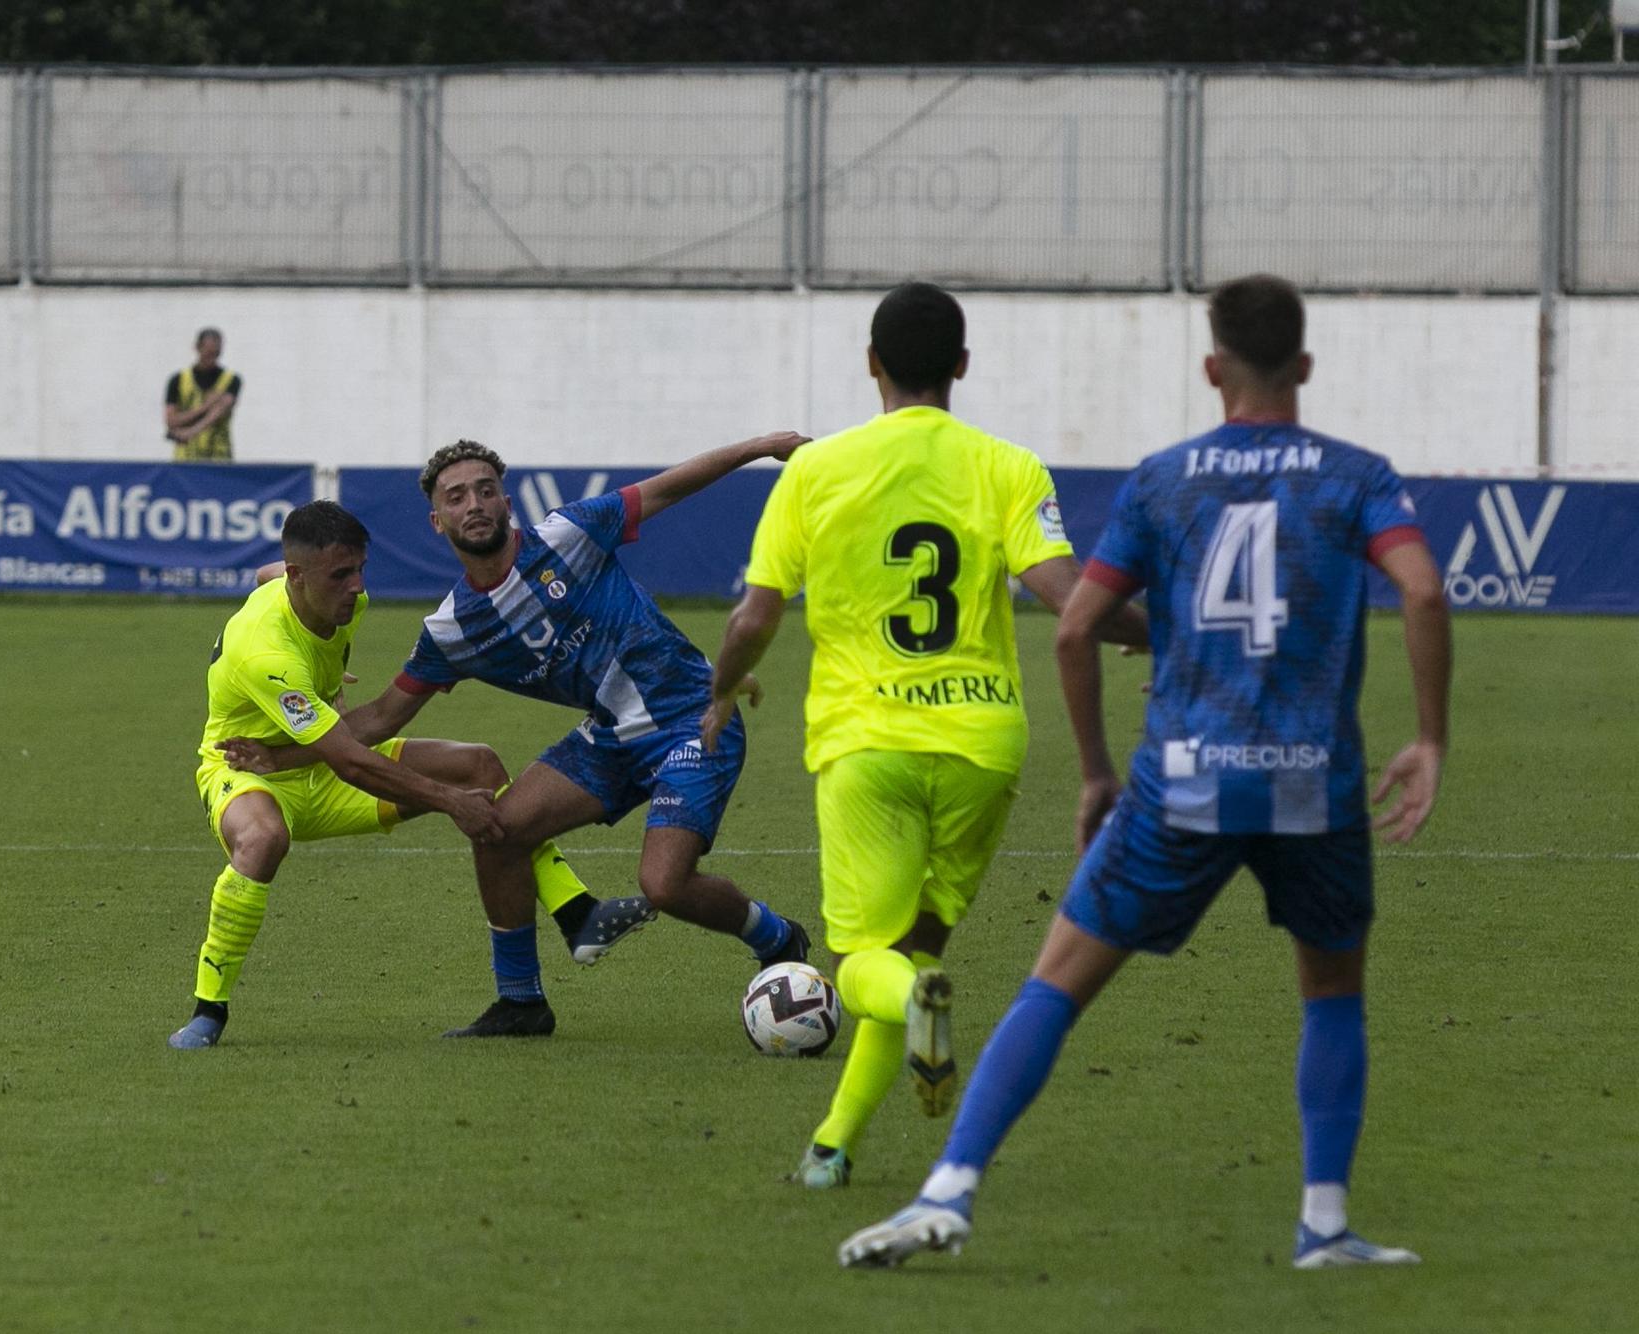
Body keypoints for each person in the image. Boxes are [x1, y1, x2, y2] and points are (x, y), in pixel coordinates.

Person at [837, 274, 1451, 1271]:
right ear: (1300, 365)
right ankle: (1323, 1224)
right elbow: (1421, 591)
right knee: (1330, 989)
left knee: (1057, 982)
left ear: (1211, 369)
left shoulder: (1166, 478)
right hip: (1312, 780)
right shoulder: (1356, 475)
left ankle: (947, 1189)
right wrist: (1427, 737)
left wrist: (1092, 771)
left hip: (1182, 777)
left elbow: (1074, 625)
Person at [703, 282, 1147, 1191]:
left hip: (867, 747)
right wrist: (1160, 633)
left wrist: (720, 688)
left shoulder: (815, 472)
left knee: (871, 965)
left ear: (871, 364)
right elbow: (1068, 596)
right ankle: (832, 1148)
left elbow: (755, 616)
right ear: (962, 365)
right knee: (914, 947)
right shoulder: (1009, 467)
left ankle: (914, 1007)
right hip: (984, 746)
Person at [335, 433, 816, 1038]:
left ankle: (776, 935)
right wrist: (285, 740)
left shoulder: (573, 534)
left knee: (663, 884)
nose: (474, 504)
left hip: (694, 719)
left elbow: (673, 483)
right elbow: (380, 718)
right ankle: (521, 1003)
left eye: (486, 490)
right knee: (498, 831)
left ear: (508, 502)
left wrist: (764, 446)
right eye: (456, 497)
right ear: (438, 520)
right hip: (611, 740)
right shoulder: (452, 629)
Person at [167, 500, 652, 1049]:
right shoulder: (264, 653)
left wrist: (314, 674)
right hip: (247, 771)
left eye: (359, 569)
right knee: (263, 838)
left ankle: (578, 912)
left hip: (315, 759)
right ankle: (209, 1009)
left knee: (480, 765)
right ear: (303, 578)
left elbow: (268, 574)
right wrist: (449, 802)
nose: (356, 587)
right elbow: (351, 757)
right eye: (340, 575)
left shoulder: (317, 593)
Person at [164, 327, 240, 462]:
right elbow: (171, 421)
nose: (212, 358)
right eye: (209, 353)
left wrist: (191, 431)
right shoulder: (178, 380)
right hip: (185, 460)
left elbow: (219, 411)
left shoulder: (230, 379)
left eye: (216, 353)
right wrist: (206, 406)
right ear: (197, 348)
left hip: (219, 459)